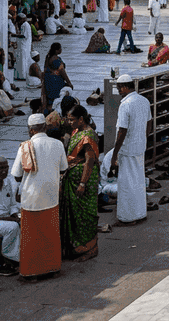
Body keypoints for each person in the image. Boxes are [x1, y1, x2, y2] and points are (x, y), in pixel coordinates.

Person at [10, 113, 68, 278]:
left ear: (30, 130)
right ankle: (52, 268)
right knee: (50, 235)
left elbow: (16, 175)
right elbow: (63, 168)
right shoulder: (57, 144)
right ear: (45, 127)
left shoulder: (25, 147)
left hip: (31, 198)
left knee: (32, 237)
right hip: (51, 196)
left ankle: (31, 272)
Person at [110, 74, 152, 225]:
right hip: (139, 147)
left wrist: (114, 154)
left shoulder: (125, 104)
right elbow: (149, 123)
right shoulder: (144, 101)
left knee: (126, 183)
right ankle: (140, 213)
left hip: (127, 150)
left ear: (124, 87)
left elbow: (122, 130)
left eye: (119, 89)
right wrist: (143, 138)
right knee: (139, 181)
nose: (119, 91)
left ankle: (128, 217)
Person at [61, 105, 100, 261]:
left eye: (72, 120)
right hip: (73, 179)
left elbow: (89, 161)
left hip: (84, 182)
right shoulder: (76, 131)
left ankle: (90, 248)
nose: (70, 122)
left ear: (81, 119)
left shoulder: (88, 136)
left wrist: (82, 183)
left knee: (85, 216)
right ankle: (76, 247)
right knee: (74, 216)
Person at [42, 44, 73, 113]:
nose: (61, 50)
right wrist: (69, 82)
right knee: (58, 96)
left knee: (50, 98)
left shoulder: (48, 57)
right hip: (55, 81)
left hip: (48, 80)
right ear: (57, 50)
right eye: (60, 49)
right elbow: (62, 71)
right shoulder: (56, 59)